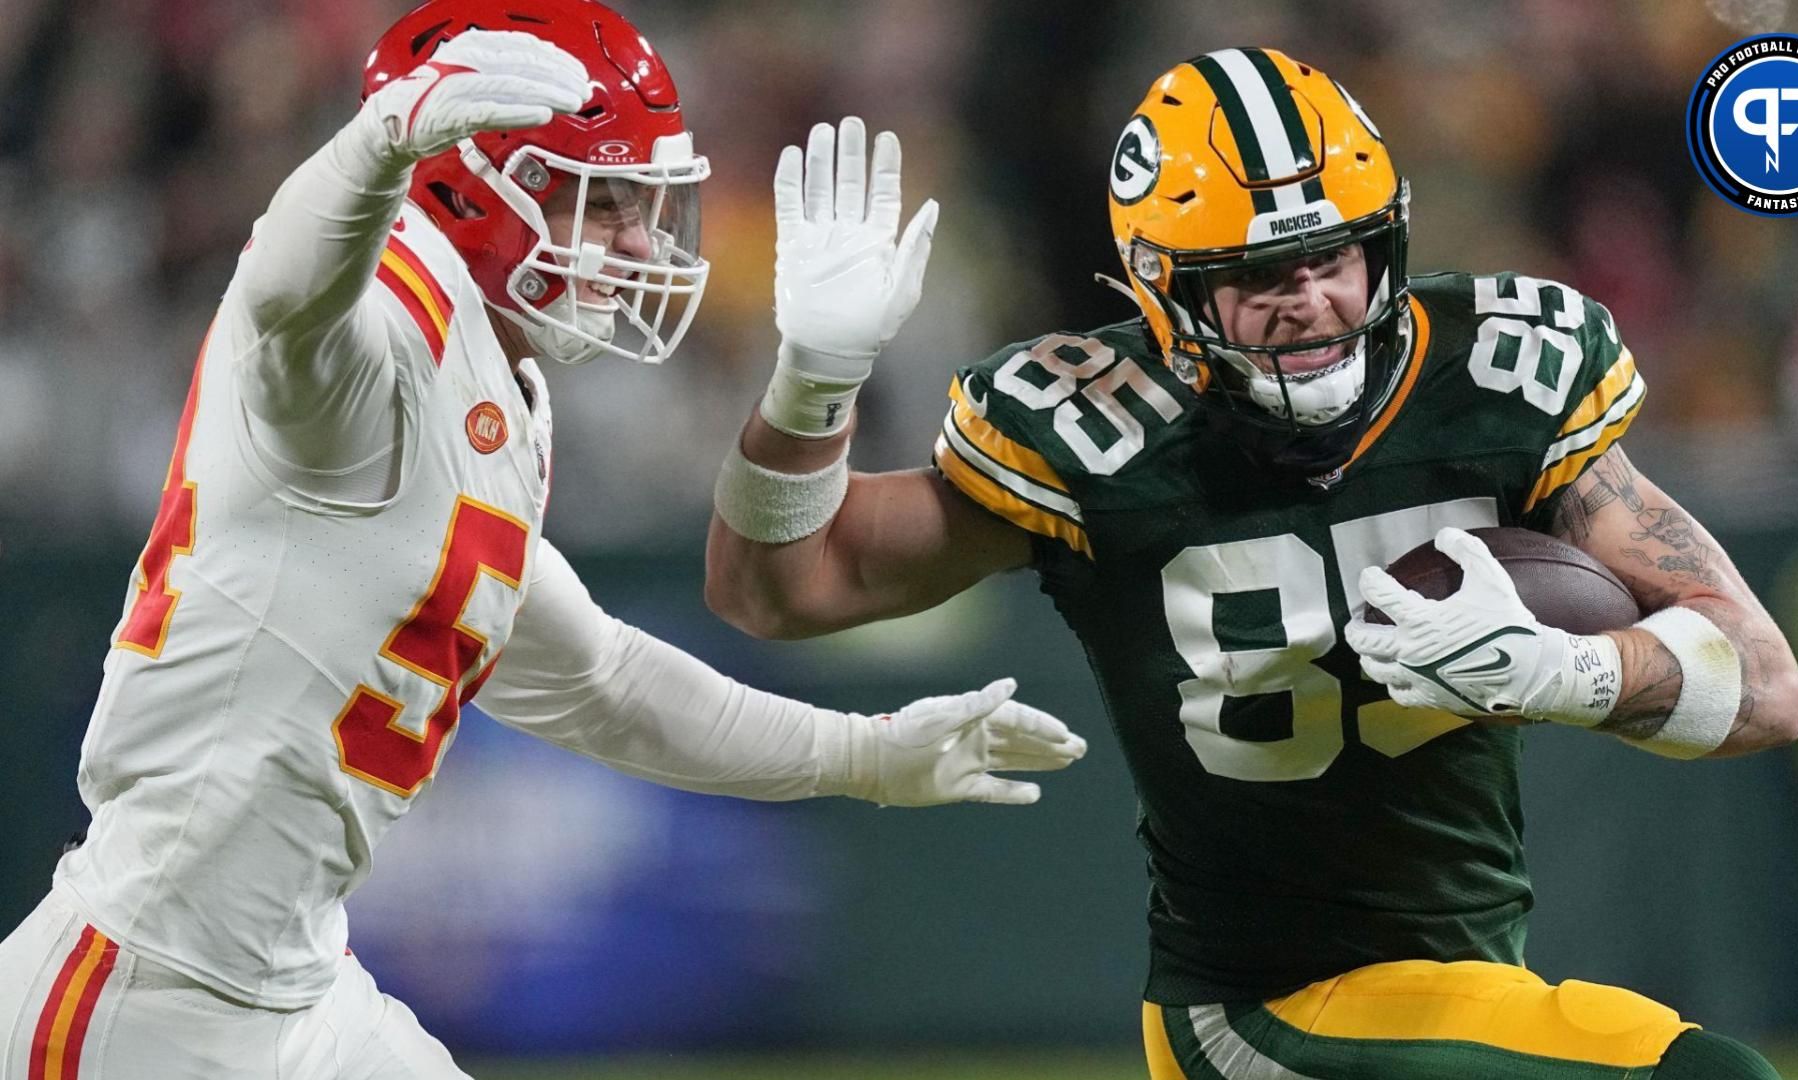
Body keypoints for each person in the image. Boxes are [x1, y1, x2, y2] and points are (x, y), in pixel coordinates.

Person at [0, 3, 1087, 1077]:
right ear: (469, 184)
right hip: (141, 996)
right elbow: (282, 297)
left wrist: (869, 754)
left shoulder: (493, 380)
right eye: (603, 202)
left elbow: (601, 681)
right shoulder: (369, 338)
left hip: (297, 981)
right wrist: (372, 146)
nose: (637, 245)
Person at [707, 48, 1798, 1079]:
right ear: (1164, 290)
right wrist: (813, 383)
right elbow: (777, 589)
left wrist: (1572, 674)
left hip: (1463, 976)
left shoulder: (1496, 381)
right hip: (1264, 1006)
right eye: (1258, 275)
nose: (1310, 302)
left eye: (1330, 257)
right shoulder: (1101, 435)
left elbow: (1765, 683)